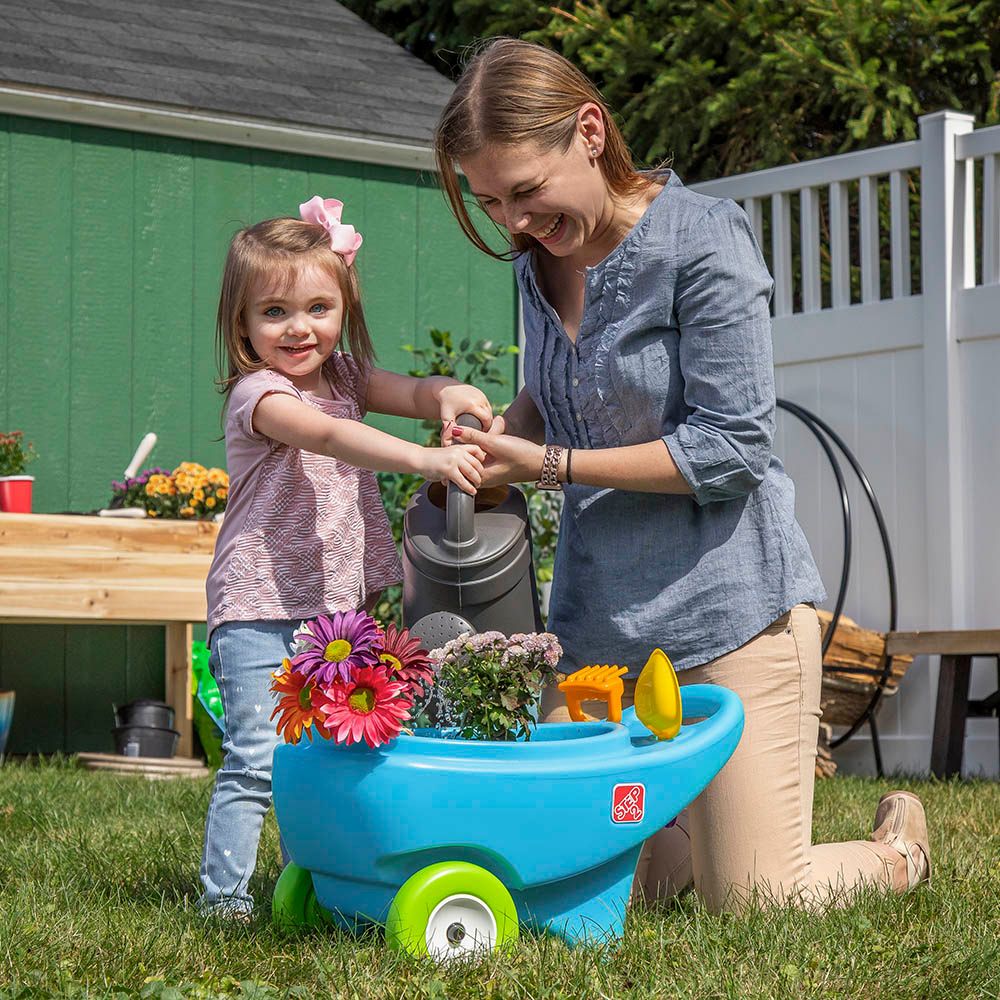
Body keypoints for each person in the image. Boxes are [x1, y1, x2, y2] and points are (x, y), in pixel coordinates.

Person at [434, 38, 931, 912]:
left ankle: (895, 854)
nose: (512, 221)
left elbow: (731, 449)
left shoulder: (702, 242)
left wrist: (544, 465)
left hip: (729, 616)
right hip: (599, 628)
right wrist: (486, 444)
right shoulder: (536, 261)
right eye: (490, 201)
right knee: (570, 890)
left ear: (590, 132)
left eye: (525, 192)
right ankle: (692, 837)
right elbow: (559, 394)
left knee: (754, 901)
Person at [199, 196, 490, 917]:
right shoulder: (258, 393)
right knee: (258, 761)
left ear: (343, 306)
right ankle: (224, 902)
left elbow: (414, 390)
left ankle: (313, 887)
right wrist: (422, 455)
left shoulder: (351, 378)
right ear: (243, 324)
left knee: (323, 763)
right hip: (259, 606)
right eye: (274, 313)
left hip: (334, 617)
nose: (299, 328)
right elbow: (328, 438)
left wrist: (447, 393)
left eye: (318, 308)